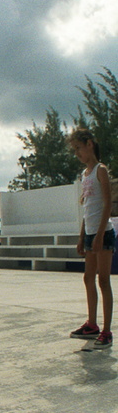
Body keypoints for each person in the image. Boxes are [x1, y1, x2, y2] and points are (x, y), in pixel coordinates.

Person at [68, 128, 114, 349]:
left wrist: (99, 235)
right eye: (74, 149)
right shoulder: (84, 175)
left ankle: (106, 331)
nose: (77, 153)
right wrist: (82, 237)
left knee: (103, 280)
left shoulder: (100, 170)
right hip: (90, 233)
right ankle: (92, 324)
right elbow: (87, 209)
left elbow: (107, 204)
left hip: (103, 234)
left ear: (89, 144)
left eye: (78, 148)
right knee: (88, 278)